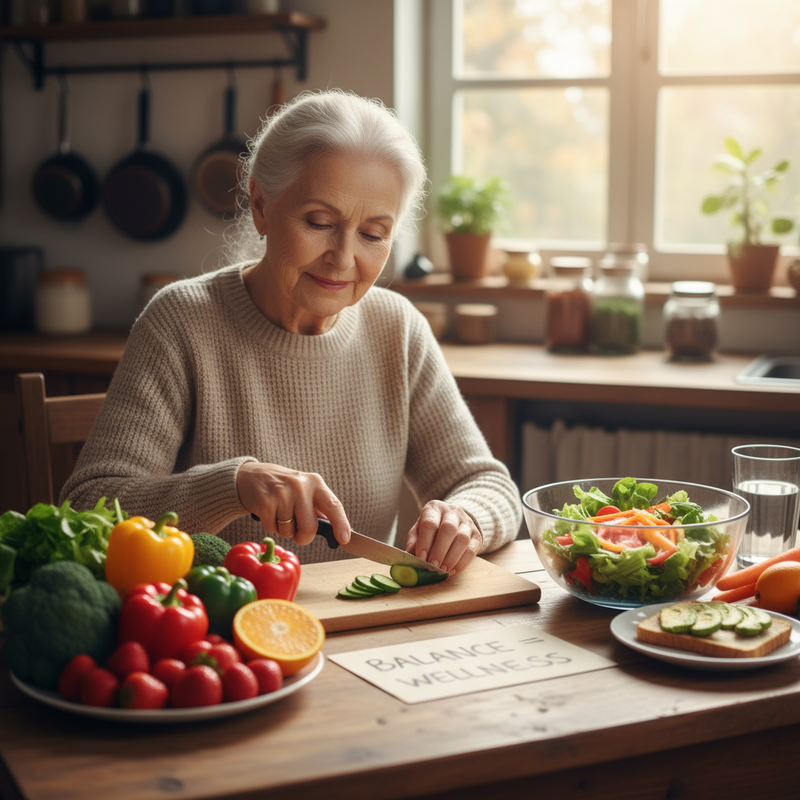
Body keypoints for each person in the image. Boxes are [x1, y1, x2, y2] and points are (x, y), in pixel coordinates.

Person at [61, 89, 522, 576]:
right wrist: (233, 485)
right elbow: (88, 507)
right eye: (319, 222)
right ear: (261, 205)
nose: (343, 258)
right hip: (215, 628)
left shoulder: (398, 328)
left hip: (364, 628)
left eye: (373, 234)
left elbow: (487, 483)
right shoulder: (180, 321)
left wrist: (465, 517)